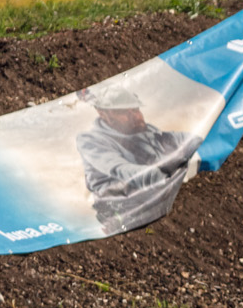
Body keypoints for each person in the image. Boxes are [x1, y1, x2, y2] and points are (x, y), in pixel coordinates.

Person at [76, 83, 201, 234]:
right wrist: (160, 175)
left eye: (135, 110)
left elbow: (192, 140)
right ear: (103, 114)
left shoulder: (153, 135)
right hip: (122, 207)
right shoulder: (91, 141)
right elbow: (120, 169)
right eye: (123, 112)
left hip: (157, 196)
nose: (135, 116)